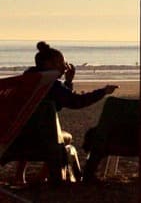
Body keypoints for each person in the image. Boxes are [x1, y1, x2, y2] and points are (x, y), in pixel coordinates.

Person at [17, 41, 118, 184]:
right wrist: (103, 92)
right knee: (63, 138)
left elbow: (63, 97)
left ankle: (19, 175)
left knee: (30, 126)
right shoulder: (51, 84)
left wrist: (68, 82)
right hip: (43, 139)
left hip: (16, 137)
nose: (65, 67)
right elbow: (75, 102)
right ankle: (41, 177)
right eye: (61, 63)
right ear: (48, 64)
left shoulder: (26, 80)